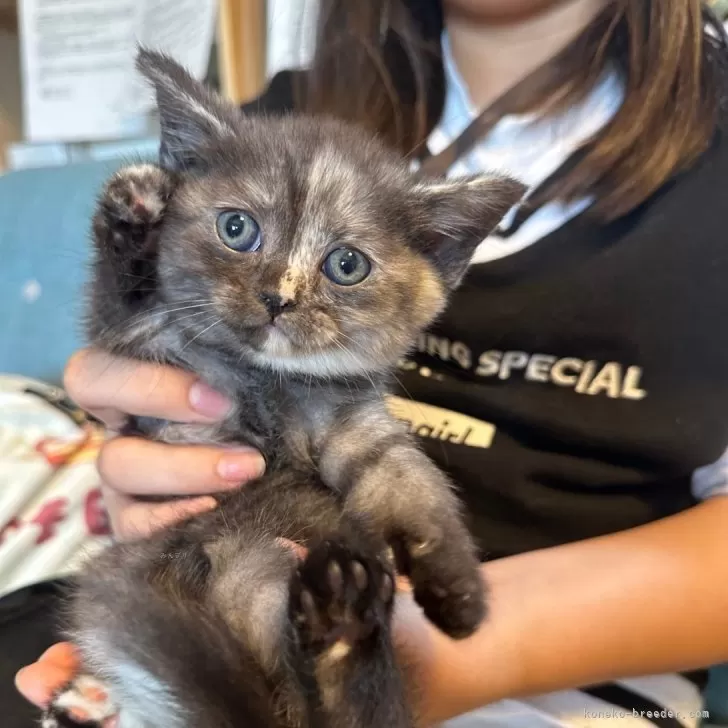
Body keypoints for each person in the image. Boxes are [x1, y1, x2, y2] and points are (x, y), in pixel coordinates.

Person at [11, 1, 728, 726]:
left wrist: (450, 653)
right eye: (240, 231)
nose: (282, 293)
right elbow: (151, 361)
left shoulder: (712, 153)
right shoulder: (286, 112)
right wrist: (144, 448)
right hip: (234, 590)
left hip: (566, 681)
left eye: (346, 264)